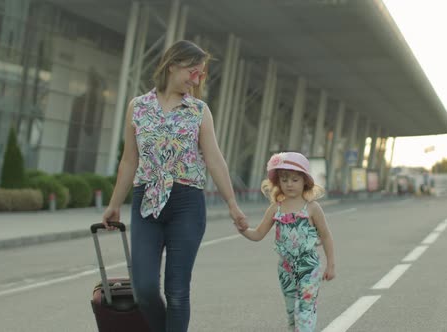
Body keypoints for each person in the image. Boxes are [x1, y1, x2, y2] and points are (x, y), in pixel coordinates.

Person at [101, 40, 248, 332]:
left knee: (178, 294)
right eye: (192, 72)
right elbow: (129, 161)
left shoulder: (198, 111)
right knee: (143, 290)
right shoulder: (138, 107)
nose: (196, 80)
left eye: (201, 75)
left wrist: (232, 204)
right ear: (173, 65)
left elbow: (215, 160)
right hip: (147, 204)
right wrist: (114, 204)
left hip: (187, 205)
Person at [239, 152, 336, 332]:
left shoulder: (313, 208)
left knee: (305, 309)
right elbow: (258, 234)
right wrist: (243, 229)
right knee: (292, 311)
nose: (289, 184)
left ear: (305, 181)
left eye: (294, 179)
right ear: (278, 183)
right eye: (284, 180)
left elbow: (327, 236)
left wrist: (331, 265)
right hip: (285, 268)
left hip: (308, 266)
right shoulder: (275, 208)